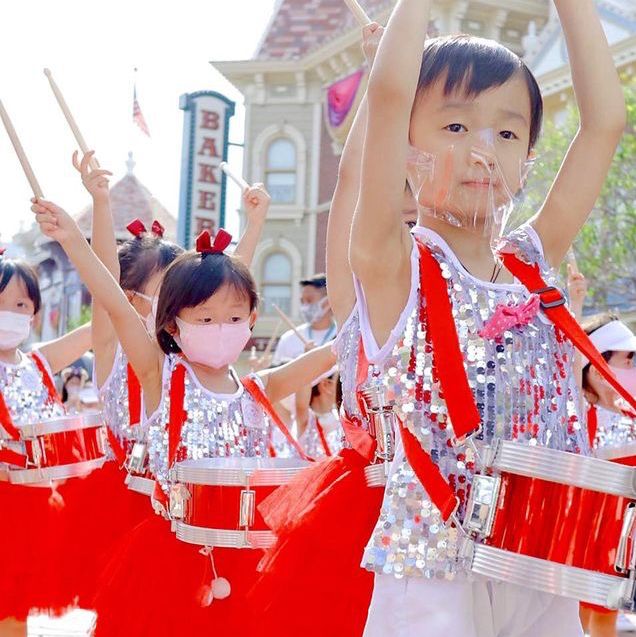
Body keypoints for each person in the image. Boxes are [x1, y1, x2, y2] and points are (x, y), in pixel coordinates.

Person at [348, 0, 624, 633]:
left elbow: (605, 122)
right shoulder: (395, 263)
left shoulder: (534, 260)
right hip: (433, 566)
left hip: (539, 552)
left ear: (528, 158)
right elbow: (390, 95)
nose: (482, 151)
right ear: (407, 147)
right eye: (454, 127)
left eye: (507, 132)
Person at [32, 196, 337, 636]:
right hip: (171, 555)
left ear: (251, 320)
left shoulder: (257, 387)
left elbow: (331, 351)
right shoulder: (161, 374)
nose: (221, 327)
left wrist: (362, 327)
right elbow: (114, 303)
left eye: (234, 317)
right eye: (206, 318)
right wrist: (72, 241)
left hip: (246, 556)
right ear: (173, 324)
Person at [0, 252, 92, 634]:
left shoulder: (38, 362)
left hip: (33, 508)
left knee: (15, 611)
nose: (9, 312)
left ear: (34, 313)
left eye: (20, 304)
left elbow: (98, 328)